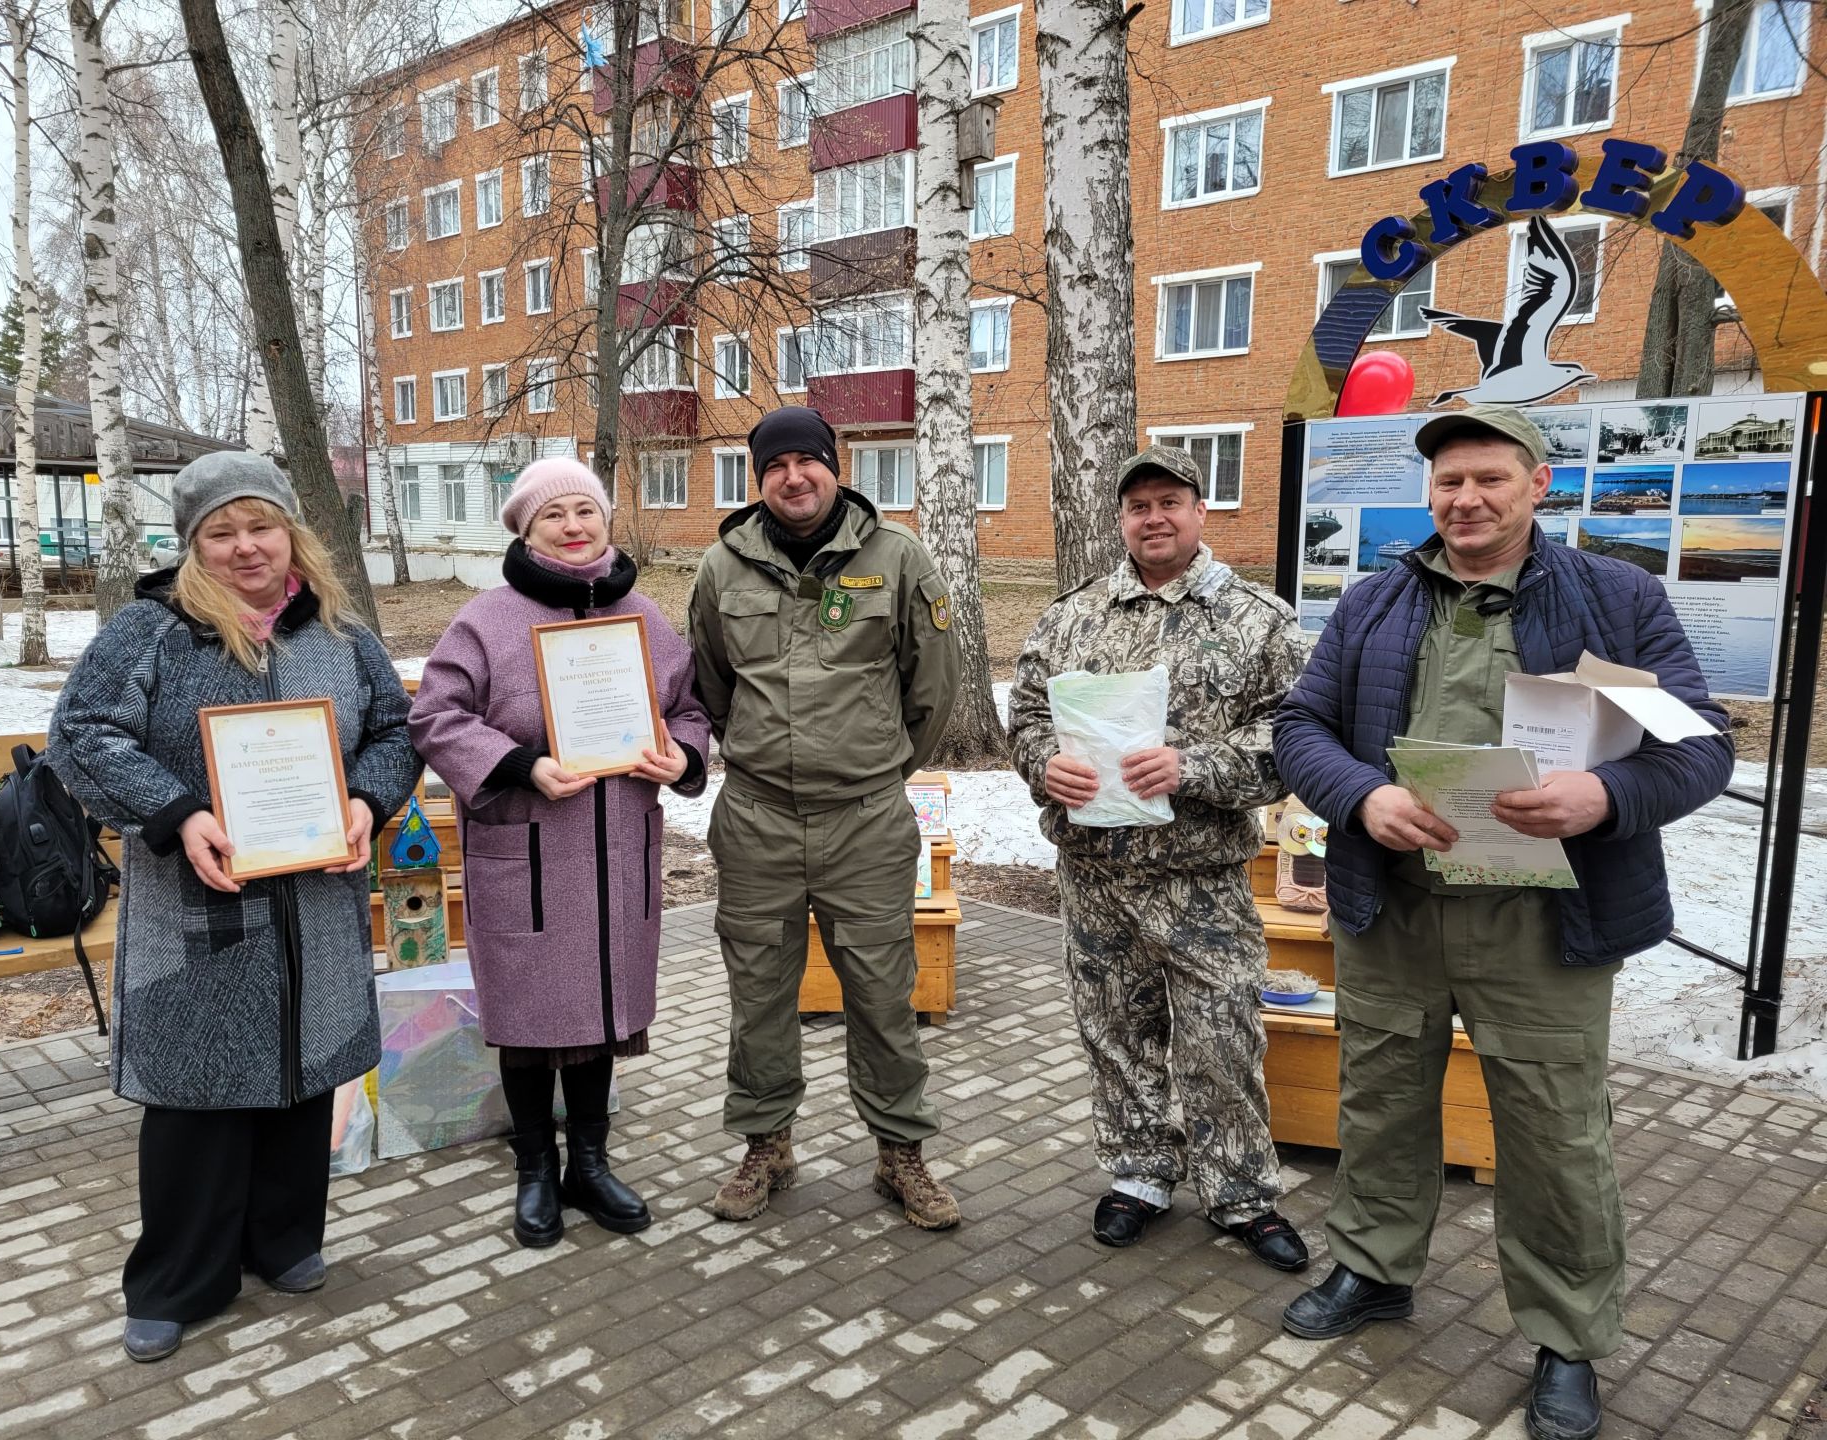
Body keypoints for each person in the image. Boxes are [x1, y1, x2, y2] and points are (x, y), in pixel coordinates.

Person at [1273, 404, 1733, 1440]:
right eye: (1448, 483)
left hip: (1546, 921)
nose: (1466, 499)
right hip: (1395, 906)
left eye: (1489, 479)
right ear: (1427, 494)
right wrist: (1362, 798)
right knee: (1382, 1105)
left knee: (1556, 1137)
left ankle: (1567, 1338)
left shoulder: (1618, 598)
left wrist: (1605, 798)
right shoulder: (1375, 601)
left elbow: (1700, 746)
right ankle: (1376, 1270)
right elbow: (1300, 723)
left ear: (1539, 486)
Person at [47, 451, 421, 1363]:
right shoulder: (152, 632)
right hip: (197, 907)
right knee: (196, 1098)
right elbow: (81, 734)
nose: (246, 547)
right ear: (192, 544)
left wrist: (370, 800)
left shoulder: (339, 633)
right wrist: (179, 813)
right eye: (222, 532)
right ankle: (178, 1278)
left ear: (291, 529)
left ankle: (284, 1239)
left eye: (262, 525)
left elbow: (392, 727)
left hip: (316, 902)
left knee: (301, 1072)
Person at [1008, 446, 1310, 1267]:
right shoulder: (1072, 616)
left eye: (1169, 501)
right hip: (1097, 876)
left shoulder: (1258, 619)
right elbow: (1027, 717)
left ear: (1199, 511)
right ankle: (1139, 1172)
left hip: (1201, 879)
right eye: (1137, 504)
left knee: (1221, 1041)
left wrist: (1194, 766)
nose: (1154, 517)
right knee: (1115, 1035)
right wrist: (1045, 765)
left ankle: (1241, 1194)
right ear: (1120, 519)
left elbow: (1295, 737)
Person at [409, 458, 710, 1248]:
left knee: (598, 1015)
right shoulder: (487, 620)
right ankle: (536, 1170)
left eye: (587, 511)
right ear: (524, 529)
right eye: (554, 516)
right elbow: (436, 717)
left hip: (617, 855)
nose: (574, 526)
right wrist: (521, 766)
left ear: (607, 522)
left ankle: (590, 1162)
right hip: (529, 854)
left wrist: (681, 755)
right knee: (531, 1020)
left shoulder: (645, 618)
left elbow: (689, 710)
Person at [687, 405, 962, 1229]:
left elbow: (934, 688)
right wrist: (766, 757)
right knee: (760, 994)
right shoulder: (721, 567)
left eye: (809, 461)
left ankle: (900, 1152)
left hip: (866, 822)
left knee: (882, 993)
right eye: (775, 466)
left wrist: (873, 767)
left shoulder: (899, 556)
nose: (794, 477)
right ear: (757, 478)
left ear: (836, 468)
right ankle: (766, 1144)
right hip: (759, 819)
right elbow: (709, 684)